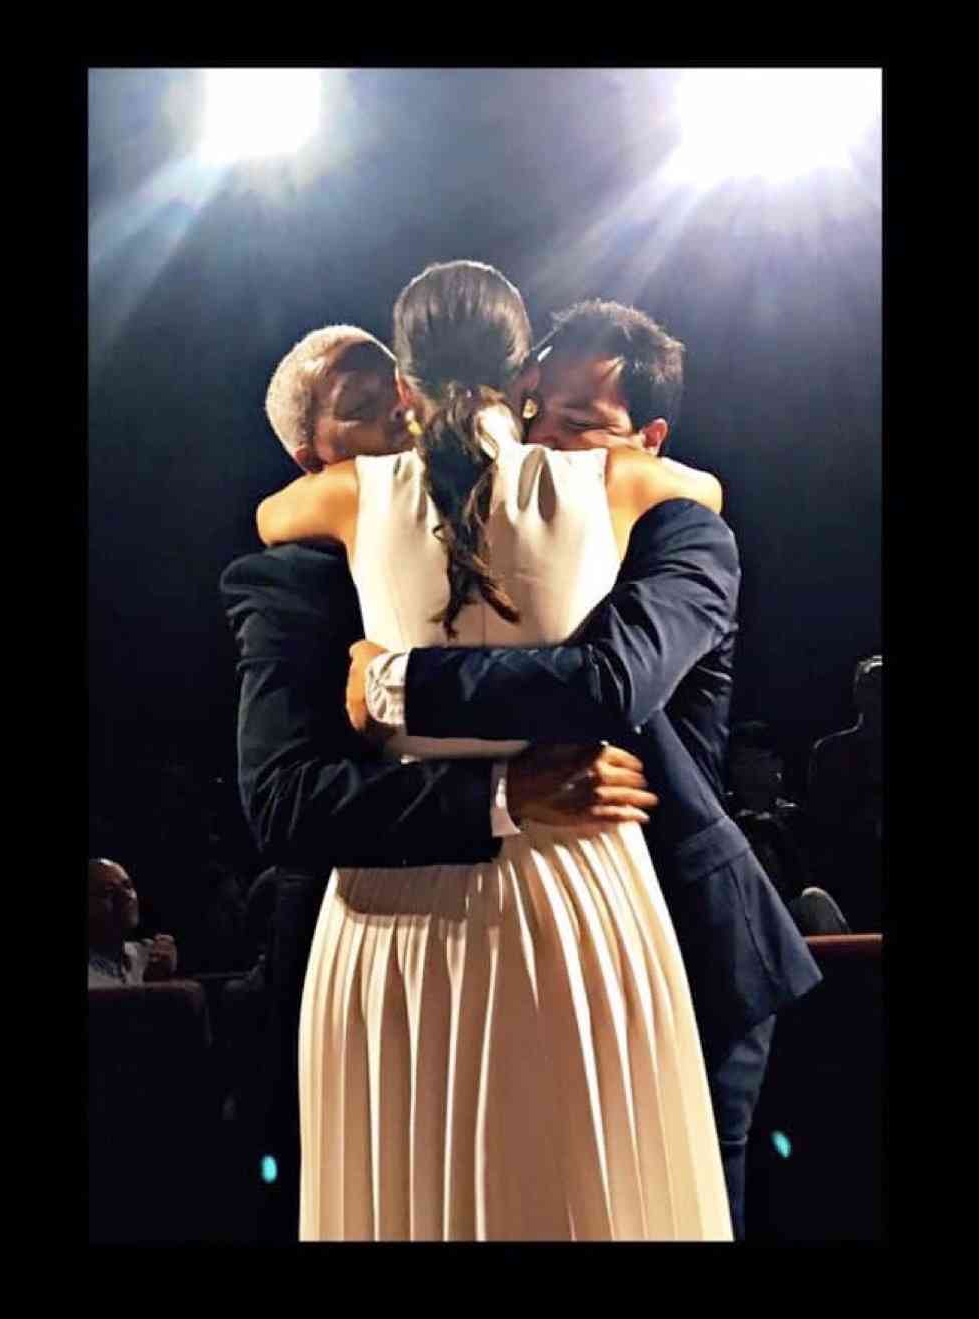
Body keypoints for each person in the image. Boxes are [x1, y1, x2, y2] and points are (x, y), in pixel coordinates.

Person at [253, 260, 733, 1240]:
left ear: (404, 387)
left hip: (388, 916)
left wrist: (385, 675)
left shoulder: (343, 497)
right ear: (524, 379)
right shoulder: (621, 481)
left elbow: (270, 513)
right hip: (580, 881)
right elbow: (705, 488)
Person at [343, 298, 822, 1238]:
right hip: (540, 927)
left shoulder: (688, 532)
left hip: (688, 927)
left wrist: (392, 683)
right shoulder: (505, 515)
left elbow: (609, 681)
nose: (550, 444)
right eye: (537, 415)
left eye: (581, 424)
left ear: (649, 442)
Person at [805, 655, 884, 931]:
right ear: (856, 692)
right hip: (850, 874)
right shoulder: (830, 752)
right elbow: (821, 820)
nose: (877, 693)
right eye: (870, 684)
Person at [87, 858, 179, 988]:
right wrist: (156, 986)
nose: (126, 896)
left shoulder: (149, 956)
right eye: (108, 891)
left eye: (128, 886)